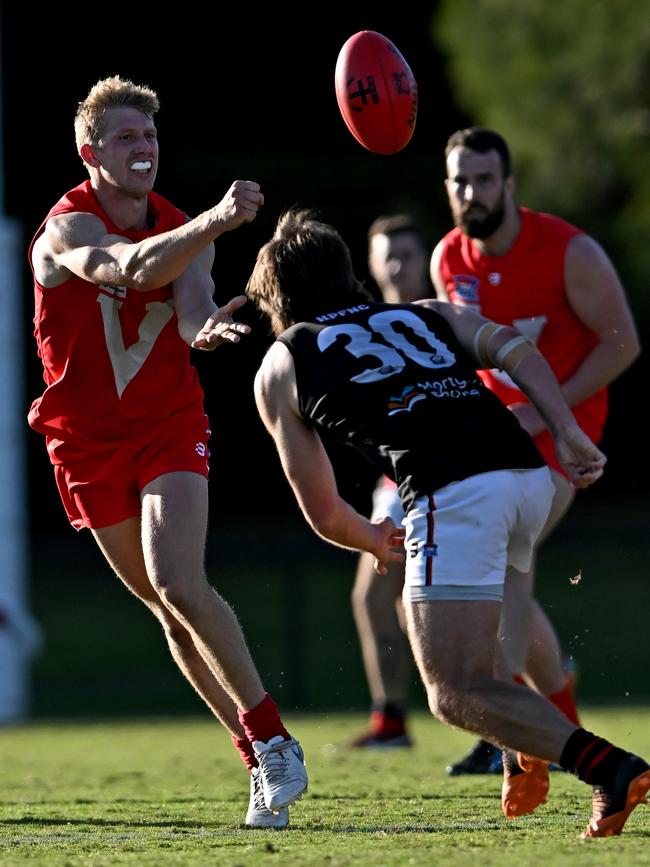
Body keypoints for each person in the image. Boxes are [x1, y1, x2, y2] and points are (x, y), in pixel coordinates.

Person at [246, 207, 649, 838]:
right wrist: (565, 428)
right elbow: (514, 347)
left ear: (277, 297)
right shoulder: (427, 311)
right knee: (475, 650)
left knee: (453, 692)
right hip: (528, 478)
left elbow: (323, 510)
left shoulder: (282, 361)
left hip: (454, 494)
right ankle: (527, 745)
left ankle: (610, 769)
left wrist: (374, 540)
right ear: (347, 273)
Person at [27, 76, 307, 829]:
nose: (142, 147)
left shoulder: (183, 225)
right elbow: (128, 270)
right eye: (124, 137)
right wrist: (216, 219)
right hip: (84, 441)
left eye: (148, 136)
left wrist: (203, 330)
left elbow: (185, 309)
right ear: (89, 153)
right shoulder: (65, 231)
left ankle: (276, 740)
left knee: (180, 580)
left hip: (166, 423)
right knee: (165, 606)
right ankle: (255, 758)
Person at [430, 126, 641, 775]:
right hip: (496, 444)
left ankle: (510, 731)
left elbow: (622, 343)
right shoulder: (449, 260)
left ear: (510, 184)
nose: (472, 192)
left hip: (566, 441)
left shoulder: (569, 251)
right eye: (460, 181)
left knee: (505, 557)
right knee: (506, 564)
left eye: (484, 179)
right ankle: (560, 721)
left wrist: (548, 414)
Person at [350, 215, 430, 748]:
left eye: (408, 252)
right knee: (377, 599)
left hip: (442, 480)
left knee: (425, 604)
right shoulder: (364, 325)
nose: (399, 264)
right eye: (388, 254)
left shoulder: (441, 318)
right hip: (394, 484)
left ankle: (508, 697)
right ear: (373, 265)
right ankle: (392, 720)